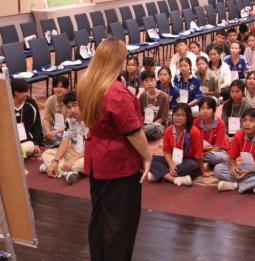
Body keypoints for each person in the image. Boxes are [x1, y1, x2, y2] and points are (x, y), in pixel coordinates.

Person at [78, 37, 152, 261]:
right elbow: (133, 131)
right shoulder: (115, 90)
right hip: (118, 161)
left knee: (100, 218)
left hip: (96, 156)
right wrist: (147, 156)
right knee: (120, 224)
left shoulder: (86, 83)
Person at [215, 108, 255, 194]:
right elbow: (231, 158)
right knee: (218, 169)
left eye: (251, 121)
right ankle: (253, 185)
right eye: (245, 120)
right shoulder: (238, 135)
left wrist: (249, 172)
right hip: (244, 169)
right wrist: (233, 167)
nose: (247, 124)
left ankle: (235, 185)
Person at [148, 105, 203, 186]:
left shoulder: (194, 132)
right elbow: (166, 151)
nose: (178, 117)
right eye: (175, 115)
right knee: (150, 158)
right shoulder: (168, 130)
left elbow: (198, 156)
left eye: (182, 115)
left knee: (193, 165)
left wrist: (203, 171)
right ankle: (174, 179)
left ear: (188, 117)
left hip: (187, 162)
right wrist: (171, 164)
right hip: (172, 160)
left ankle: (161, 175)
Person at [40, 91, 87, 184]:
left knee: (88, 163)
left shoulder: (91, 120)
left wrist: (73, 160)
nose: (72, 110)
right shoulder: (70, 119)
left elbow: (93, 148)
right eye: (69, 107)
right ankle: (68, 172)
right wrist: (55, 161)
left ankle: (57, 168)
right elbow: (65, 141)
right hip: (75, 152)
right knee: (47, 153)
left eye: (75, 105)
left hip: (88, 154)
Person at [12, 79, 43, 158]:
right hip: (11, 141)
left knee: (27, 147)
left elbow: (37, 126)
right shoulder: (5, 104)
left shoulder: (31, 104)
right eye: (25, 92)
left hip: (27, 142)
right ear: (16, 92)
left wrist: (36, 143)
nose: (28, 94)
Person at [41, 76, 71, 149]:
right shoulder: (51, 100)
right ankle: (55, 139)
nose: (58, 89)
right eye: (56, 87)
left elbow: (71, 124)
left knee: (70, 132)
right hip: (55, 127)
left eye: (61, 87)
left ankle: (58, 141)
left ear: (67, 89)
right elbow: (47, 118)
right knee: (42, 123)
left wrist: (56, 132)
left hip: (67, 128)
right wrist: (48, 132)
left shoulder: (70, 101)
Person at [139, 71, 169, 141]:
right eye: (146, 81)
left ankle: (140, 134)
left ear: (155, 81)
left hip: (158, 126)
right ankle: (142, 134)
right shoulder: (143, 96)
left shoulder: (164, 96)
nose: (149, 83)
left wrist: (150, 126)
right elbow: (141, 115)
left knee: (156, 127)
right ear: (143, 84)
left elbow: (163, 118)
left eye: (152, 80)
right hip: (145, 125)